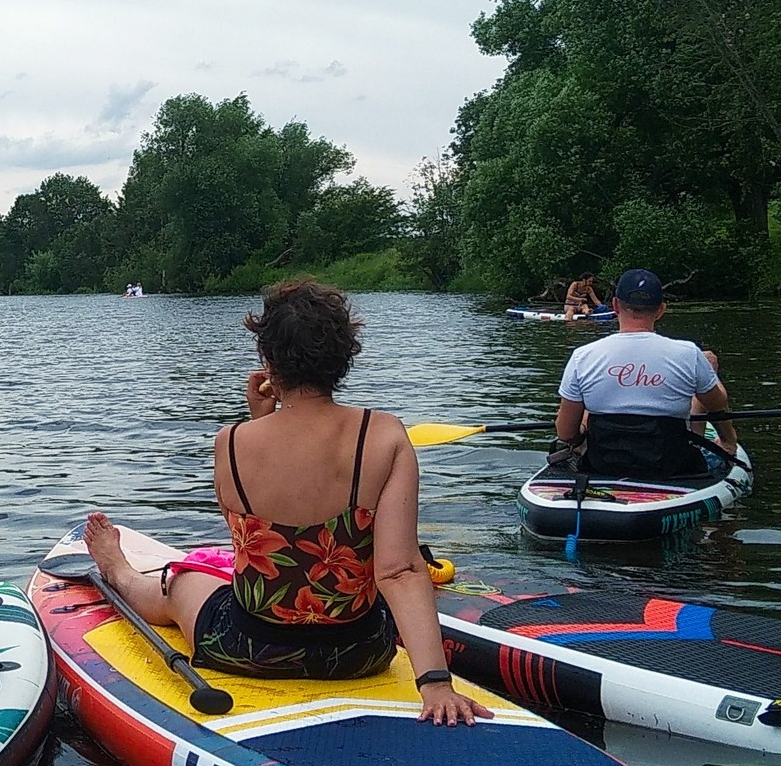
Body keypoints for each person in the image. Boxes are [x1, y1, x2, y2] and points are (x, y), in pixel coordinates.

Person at [84, 278, 488, 726]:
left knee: (183, 583)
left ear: (268, 360)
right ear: (344, 358)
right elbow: (399, 569)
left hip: (248, 647)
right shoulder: (387, 436)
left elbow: (254, 545)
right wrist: (435, 682)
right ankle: (125, 570)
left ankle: (117, 570)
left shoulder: (232, 442)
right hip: (357, 652)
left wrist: (261, 422)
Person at [551, 268, 738, 480]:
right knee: (706, 377)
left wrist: (580, 441)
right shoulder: (689, 354)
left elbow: (565, 433)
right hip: (672, 468)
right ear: (660, 310)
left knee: (585, 409)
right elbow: (717, 405)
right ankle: (727, 443)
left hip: (603, 466)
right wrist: (711, 371)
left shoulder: (582, 357)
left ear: (615, 306)